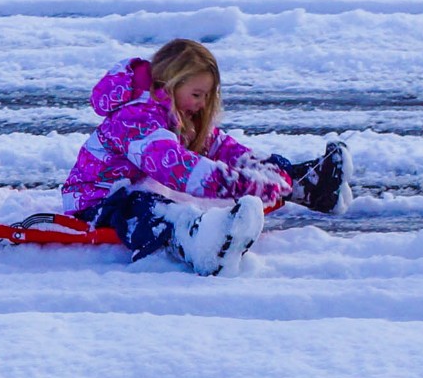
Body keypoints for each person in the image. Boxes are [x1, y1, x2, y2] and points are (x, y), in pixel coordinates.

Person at [61, 38, 352, 275]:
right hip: (99, 198)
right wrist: (240, 186)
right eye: (197, 95)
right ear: (173, 83)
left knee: (236, 164)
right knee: (148, 208)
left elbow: (221, 148)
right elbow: (176, 169)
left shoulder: (173, 110)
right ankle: (197, 241)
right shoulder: (137, 118)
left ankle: (308, 184)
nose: (201, 105)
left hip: (133, 184)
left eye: (206, 96)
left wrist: (261, 171)